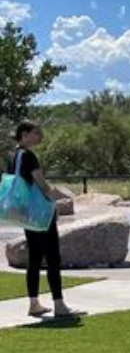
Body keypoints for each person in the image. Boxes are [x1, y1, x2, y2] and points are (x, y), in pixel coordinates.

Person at [5, 120, 82, 318]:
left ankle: (34, 303)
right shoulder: (29, 156)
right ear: (24, 134)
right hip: (39, 215)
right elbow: (42, 185)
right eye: (36, 133)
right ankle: (59, 305)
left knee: (35, 258)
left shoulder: (13, 156)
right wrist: (61, 199)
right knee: (53, 258)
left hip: (25, 214)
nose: (40, 136)